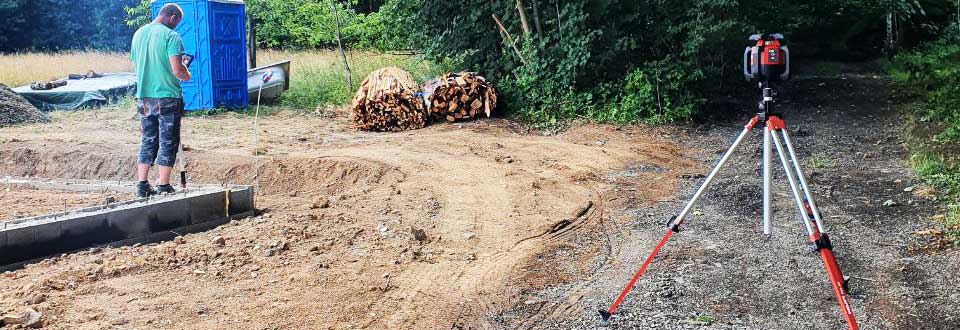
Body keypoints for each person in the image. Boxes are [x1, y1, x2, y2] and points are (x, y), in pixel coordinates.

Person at [129, 3, 192, 197]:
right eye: (177, 22)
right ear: (172, 18)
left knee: (148, 140)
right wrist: (186, 72)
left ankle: (142, 185)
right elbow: (178, 70)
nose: (176, 26)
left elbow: (139, 63)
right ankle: (163, 185)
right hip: (167, 97)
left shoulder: (138, 34)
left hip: (144, 97)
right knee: (168, 141)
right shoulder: (171, 36)